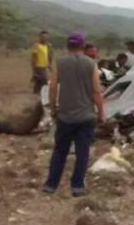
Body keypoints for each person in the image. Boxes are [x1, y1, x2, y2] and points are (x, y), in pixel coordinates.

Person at [44, 32, 104, 197]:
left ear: (67, 46)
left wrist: (53, 109)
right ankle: (77, 186)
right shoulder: (91, 64)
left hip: (65, 116)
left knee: (60, 151)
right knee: (82, 152)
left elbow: (53, 87)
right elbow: (97, 92)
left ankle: (51, 185)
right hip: (86, 117)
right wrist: (101, 113)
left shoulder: (60, 62)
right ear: (83, 47)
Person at [30, 30, 53, 94]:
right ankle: (45, 100)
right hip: (38, 67)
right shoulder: (36, 45)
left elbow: (49, 56)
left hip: (44, 67)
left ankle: (34, 97)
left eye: (46, 37)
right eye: (43, 37)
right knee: (45, 82)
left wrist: (49, 65)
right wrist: (33, 71)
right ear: (39, 37)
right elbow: (33, 58)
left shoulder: (47, 46)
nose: (44, 38)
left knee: (38, 83)